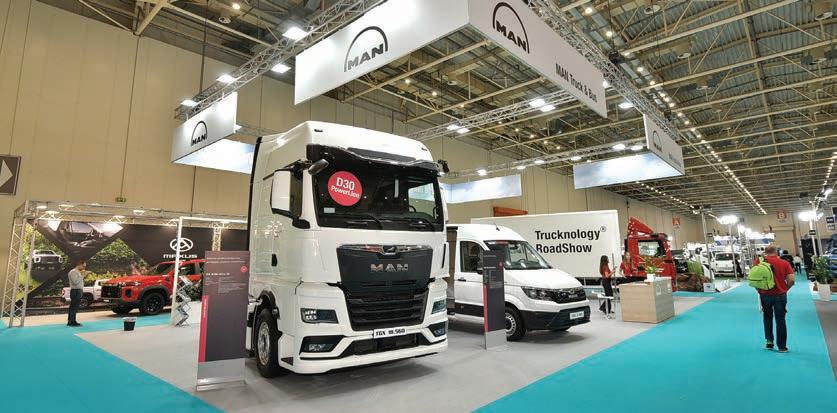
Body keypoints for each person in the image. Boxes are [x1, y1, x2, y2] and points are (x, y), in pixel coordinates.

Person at [757, 246, 795, 353]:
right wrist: (785, 289)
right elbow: (791, 280)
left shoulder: (759, 262)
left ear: (765, 252)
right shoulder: (784, 263)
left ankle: (769, 341)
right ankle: (782, 347)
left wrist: (759, 290)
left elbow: (754, 279)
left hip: (764, 295)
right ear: (776, 252)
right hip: (780, 295)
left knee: (767, 317)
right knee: (780, 320)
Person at [67, 260, 86, 327]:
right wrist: (83, 276)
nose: (84, 268)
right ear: (79, 265)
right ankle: (72, 321)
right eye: (83, 266)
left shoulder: (77, 272)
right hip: (76, 291)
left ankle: (71, 321)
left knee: (74, 306)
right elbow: (75, 282)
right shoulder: (73, 272)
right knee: (74, 307)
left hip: (77, 290)